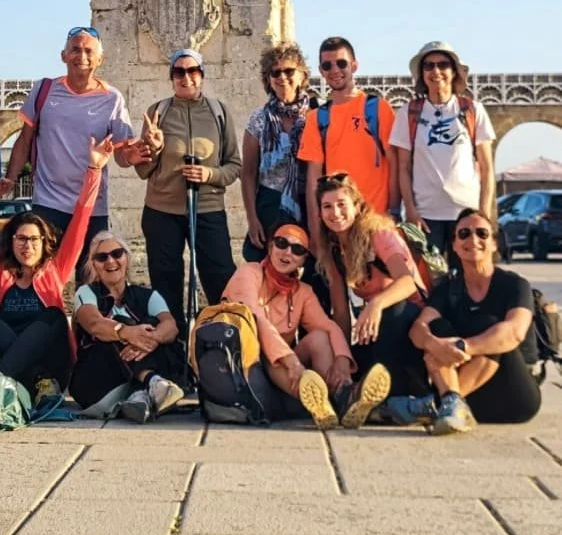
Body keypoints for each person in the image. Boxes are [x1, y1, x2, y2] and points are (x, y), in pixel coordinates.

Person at [0, 123, 114, 403]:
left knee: (53, 317)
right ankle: (8, 381)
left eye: (34, 240)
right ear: (11, 241)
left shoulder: (55, 270)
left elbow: (80, 221)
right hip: (23, 369)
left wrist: (94, 171)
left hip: (49, 367)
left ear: (44, 244)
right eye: (21, 239)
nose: (27, 246)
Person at [0, 26, 145, 278]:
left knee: (91, 280)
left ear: (100, 59)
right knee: (40, 276)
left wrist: (136, 156)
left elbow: (123, 157)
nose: (82, 56)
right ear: (63, 55)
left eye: (88, 51)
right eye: (75, 50)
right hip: (49, 204)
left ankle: (85, 319)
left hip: (92, 207)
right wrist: (10, 179)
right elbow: (24, 141)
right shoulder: (43, 91)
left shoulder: (112, 98)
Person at [223, 223, 386, 428]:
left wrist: (343, 362)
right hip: (249, 360)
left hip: (286, 368)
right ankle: (329, 401)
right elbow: (254, 316)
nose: (287, 252)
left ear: (303, 261)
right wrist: (290, 359)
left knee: (319, 338)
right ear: (270, 247)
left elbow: (328, 326)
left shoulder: (303, 291)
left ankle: (342, 393)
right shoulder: (249, 273)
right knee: (269, 357)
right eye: (282, 243)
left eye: (297, 249)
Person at [392, 209, 541, 434]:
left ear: (494, 244)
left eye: (482, 234)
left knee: (491, 329)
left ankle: (437, 405)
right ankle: (452, 405)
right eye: (464, 234)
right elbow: (418, 329)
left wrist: (463, 347)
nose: (473, 239)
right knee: (436, 329)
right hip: (475, 399)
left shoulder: (514, 285)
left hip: (515, 397)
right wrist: (435, 344)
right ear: (453, 245)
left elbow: (514, 332)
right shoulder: (447, 289)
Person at [135, 49, 240, 340]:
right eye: (179, 71)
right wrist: (153, 147)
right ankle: (173, 350)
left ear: (202, 75)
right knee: (166, 286)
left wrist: (210, 175)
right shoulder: (158, 111)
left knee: (221, 280)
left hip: (207, 209)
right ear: (171, 78)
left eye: (193, 70)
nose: (186, 77)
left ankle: (224, 350)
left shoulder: (219, 112)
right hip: (161, 212)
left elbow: (234, 165)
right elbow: (143, 171)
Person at [315, 173, 429, 407]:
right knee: (352, 359)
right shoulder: (334, 249)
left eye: (341, 205)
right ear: (319, 212)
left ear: (357, 206)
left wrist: (376, 304)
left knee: (391, 311)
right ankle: (354, 393)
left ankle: (390, 398)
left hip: (408, 317)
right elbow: (341, 312)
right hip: (377, 327)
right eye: (327, 206)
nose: (335, 213)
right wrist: (342, 358)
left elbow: (408, 283)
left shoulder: (379, 234)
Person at [390, 42, 496, 254]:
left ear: (454, 71)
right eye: (428, 66)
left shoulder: (472, 110)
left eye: (443, 65)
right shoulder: (408, 113)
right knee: (431, 282)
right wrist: (410, 210)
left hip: (466, 213)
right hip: (426, 216)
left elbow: (487, 167)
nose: (436, 71)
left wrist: (483, 213)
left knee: (468, 281)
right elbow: (403, 168)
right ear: (421, 74)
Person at [70, 231, 185, 423]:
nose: (110, 261)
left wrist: (150, 339)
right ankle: (151, 382)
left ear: (127, 258)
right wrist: (126, 333)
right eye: (102, 257)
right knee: (122, 324)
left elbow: (170, 326)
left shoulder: (147, 295)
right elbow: (94, 324)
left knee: (154, 327)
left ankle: (139, 397)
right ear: (93, 265)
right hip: (98, 380)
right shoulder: (86, 292)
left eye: (117, 254)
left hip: (128, 376)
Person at [298, 37, 399, 249]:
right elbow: (313, 178)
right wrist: (315, 228)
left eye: (341, 63)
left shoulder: (378, 109)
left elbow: (396, 164)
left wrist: (395, 211)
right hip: (340, 225)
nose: (335, 69)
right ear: (321, 70)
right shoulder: (317, 118)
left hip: (377, 221)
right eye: (327, 65)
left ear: (354, 65)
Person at [241, 42, 315, 262]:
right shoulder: (259, 119)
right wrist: (252, 218)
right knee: (264, 265)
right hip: (270, 204)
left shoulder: (316, 115)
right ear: (268, 79)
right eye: (275, 72)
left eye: (289, 71)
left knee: (312, 270)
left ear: (301, 75)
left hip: (307, 201)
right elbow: (248, 174)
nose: (282, 77)